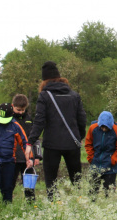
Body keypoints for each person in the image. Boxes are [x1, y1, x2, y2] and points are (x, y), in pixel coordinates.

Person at [28, 61, 87, 200]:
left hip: (52, 144)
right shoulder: (74, 95)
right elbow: (82, 119)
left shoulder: (44, 96)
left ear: (44, 80)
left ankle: (53, 205)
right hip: (72, 143)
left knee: (51, 180)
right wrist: (79, 136)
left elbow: (39, 121)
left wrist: (30, 141)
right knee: (76, 179)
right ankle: (79, 203)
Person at [0, 104, 32, 206]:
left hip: (8, 161)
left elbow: (24, 143)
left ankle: (7, 207)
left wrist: (29, 158)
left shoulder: (16, 126)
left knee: (7, 187)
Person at [84, 111, 117, 198]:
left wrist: (113, 160)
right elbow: (88, 144)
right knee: (92, 191)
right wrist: (91, 157)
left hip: (110, 166)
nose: (104, 129)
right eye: (102, 127)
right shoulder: (92, 128)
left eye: (106, 127)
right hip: (95, 163)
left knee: (109, 193)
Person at [11, 94, 37, 196]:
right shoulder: (8, 119)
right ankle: (6, 204)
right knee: (10, 183)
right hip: (13, 158)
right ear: (13, 106)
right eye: (18, 110)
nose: (21, 112)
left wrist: (36, 156)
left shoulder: (29, 119)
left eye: (23, 110)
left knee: (29, 186)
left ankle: (31, 205)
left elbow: (34, 137)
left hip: (28, 158)